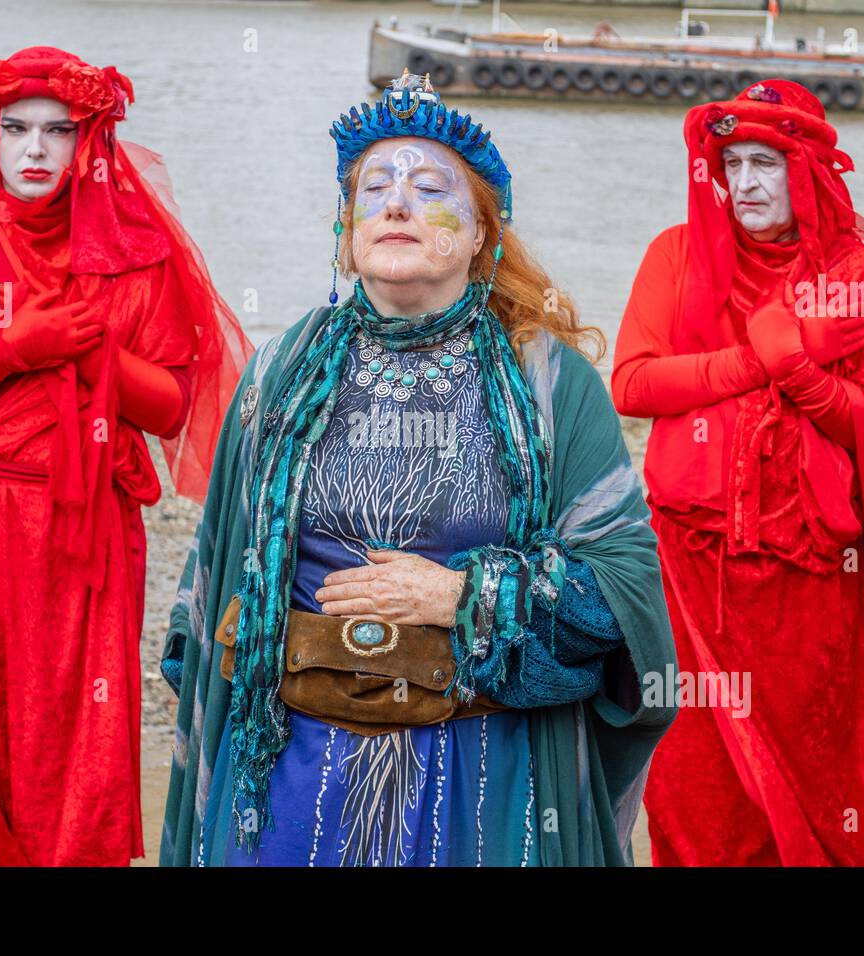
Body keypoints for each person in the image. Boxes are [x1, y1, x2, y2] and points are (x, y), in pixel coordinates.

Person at [159, 71, 677, 867]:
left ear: (479, 236)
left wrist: (463, 594)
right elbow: (216, 590)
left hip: (481, 774)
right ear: (347, 227)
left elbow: (624, 598)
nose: (396, 203)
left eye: (430, 187)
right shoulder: (277, 376)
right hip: (290, 771)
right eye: (375, 188)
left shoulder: (549, 386)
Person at [0, 46, 251, 865]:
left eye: (59, 131)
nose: (35, 150)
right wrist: (10, 350)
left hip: (85, 529)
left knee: (80, 736)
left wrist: (95, 359)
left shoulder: (135, 256)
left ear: (94, 143)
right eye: (15, 129)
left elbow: (176, 407)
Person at [612, 79, 864, 865]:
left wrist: (807, 381)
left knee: (822, 786)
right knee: (697, 789)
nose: (746, 184)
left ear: (811, 171)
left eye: (767, 162)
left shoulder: (863, 277)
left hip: (810, 590)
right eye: (731, 164)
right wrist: (755, 359)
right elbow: (633, 383)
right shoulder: (678, 251)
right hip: (691, 574)